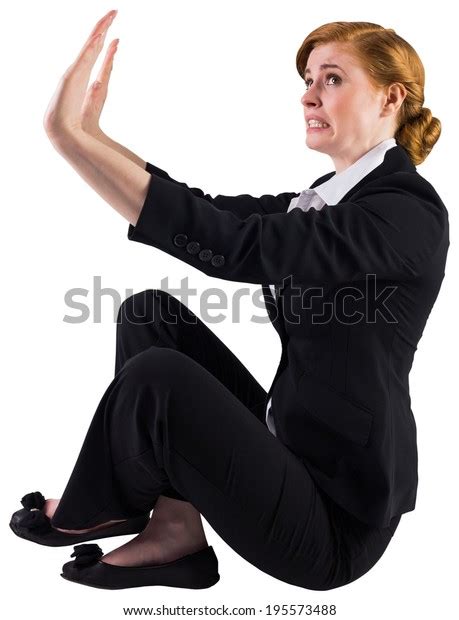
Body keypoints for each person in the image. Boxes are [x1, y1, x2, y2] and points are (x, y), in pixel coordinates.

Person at [9, 12, 449, 591]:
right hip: (289, 444)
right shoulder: (323, 203)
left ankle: (101, 501)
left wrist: (67, 138)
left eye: (332, 79)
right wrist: (87, 138)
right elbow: (206, 212)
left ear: (391, 97)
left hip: (334, 520)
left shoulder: (405, 213)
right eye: (308, 79)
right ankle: (175, 532)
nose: (308, 95)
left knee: (159, 376)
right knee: (151, 317)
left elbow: (234, 246)